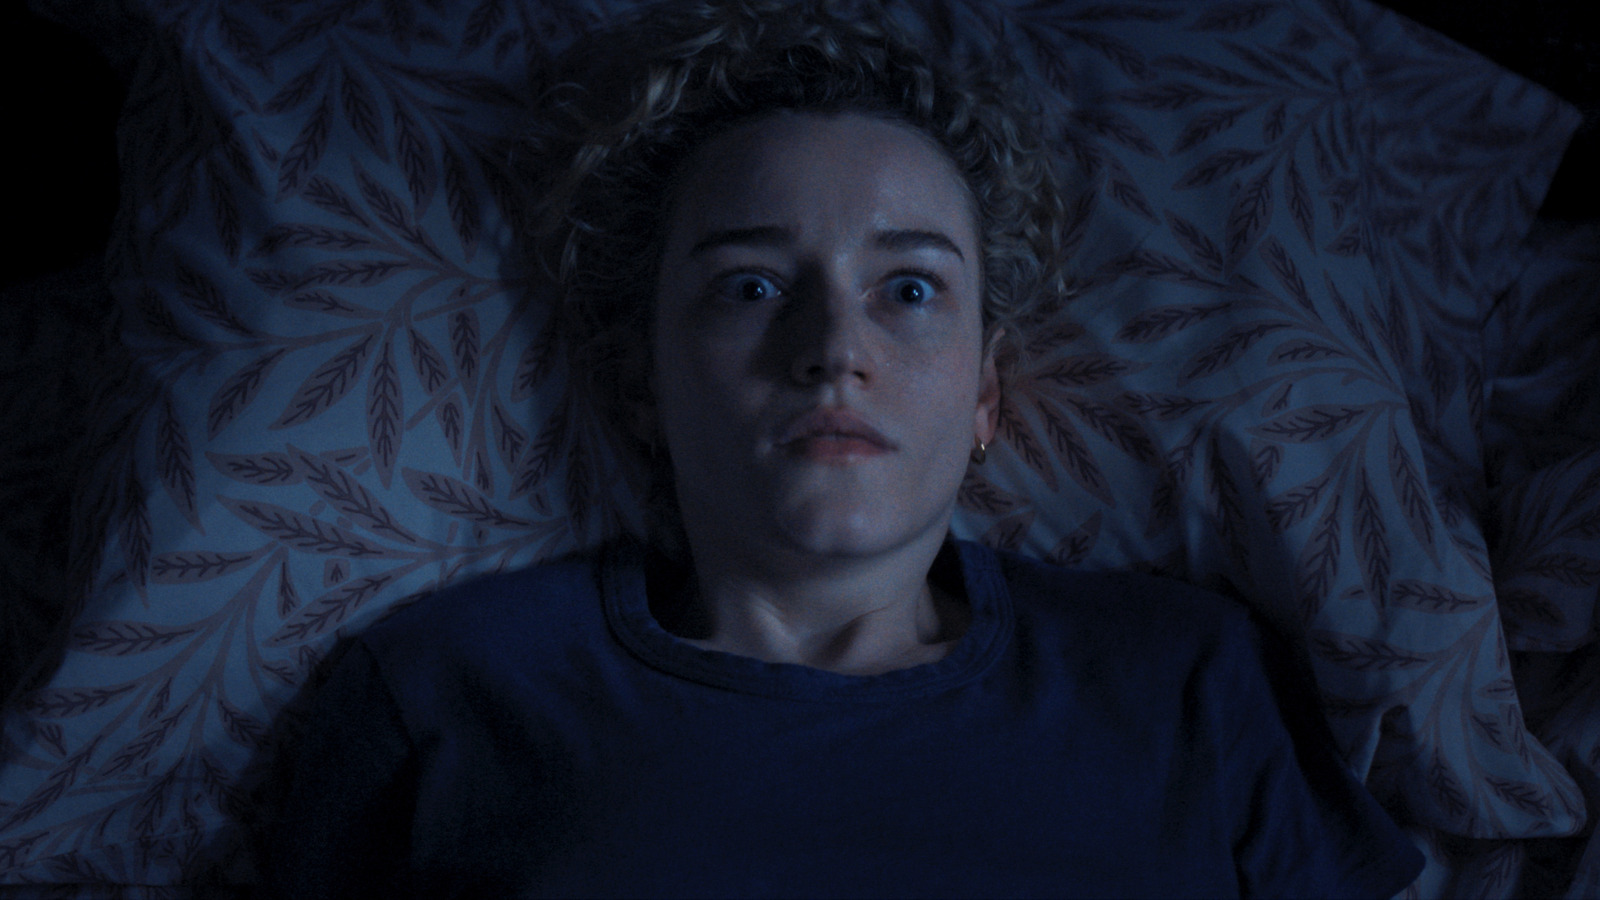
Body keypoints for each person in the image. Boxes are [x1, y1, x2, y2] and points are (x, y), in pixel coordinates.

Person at [254, 1, 1425, 896]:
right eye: (752, 285)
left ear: (985, 393)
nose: (832, 351)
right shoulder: (447, 693)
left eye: (908, 288)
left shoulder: (1182, 680)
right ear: (642, 381)